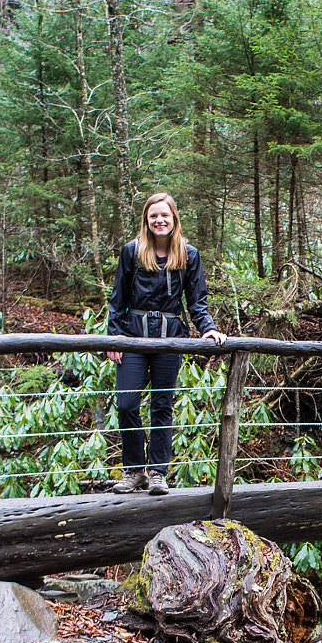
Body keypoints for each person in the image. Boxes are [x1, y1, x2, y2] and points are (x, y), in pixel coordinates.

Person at [105, 192, 227, 495]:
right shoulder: (132, 252)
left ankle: (158, 472)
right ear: (146, 220)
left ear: (174, 219)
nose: (159, 221)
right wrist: (113, 338)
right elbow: (117, 299)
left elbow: (196, 301)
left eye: (165, 216)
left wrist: (208, 329)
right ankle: (134, 471)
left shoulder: (189, 255)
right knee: (126, 404)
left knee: (161, 406)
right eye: (153, 216)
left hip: (170, 339)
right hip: (132, 337)